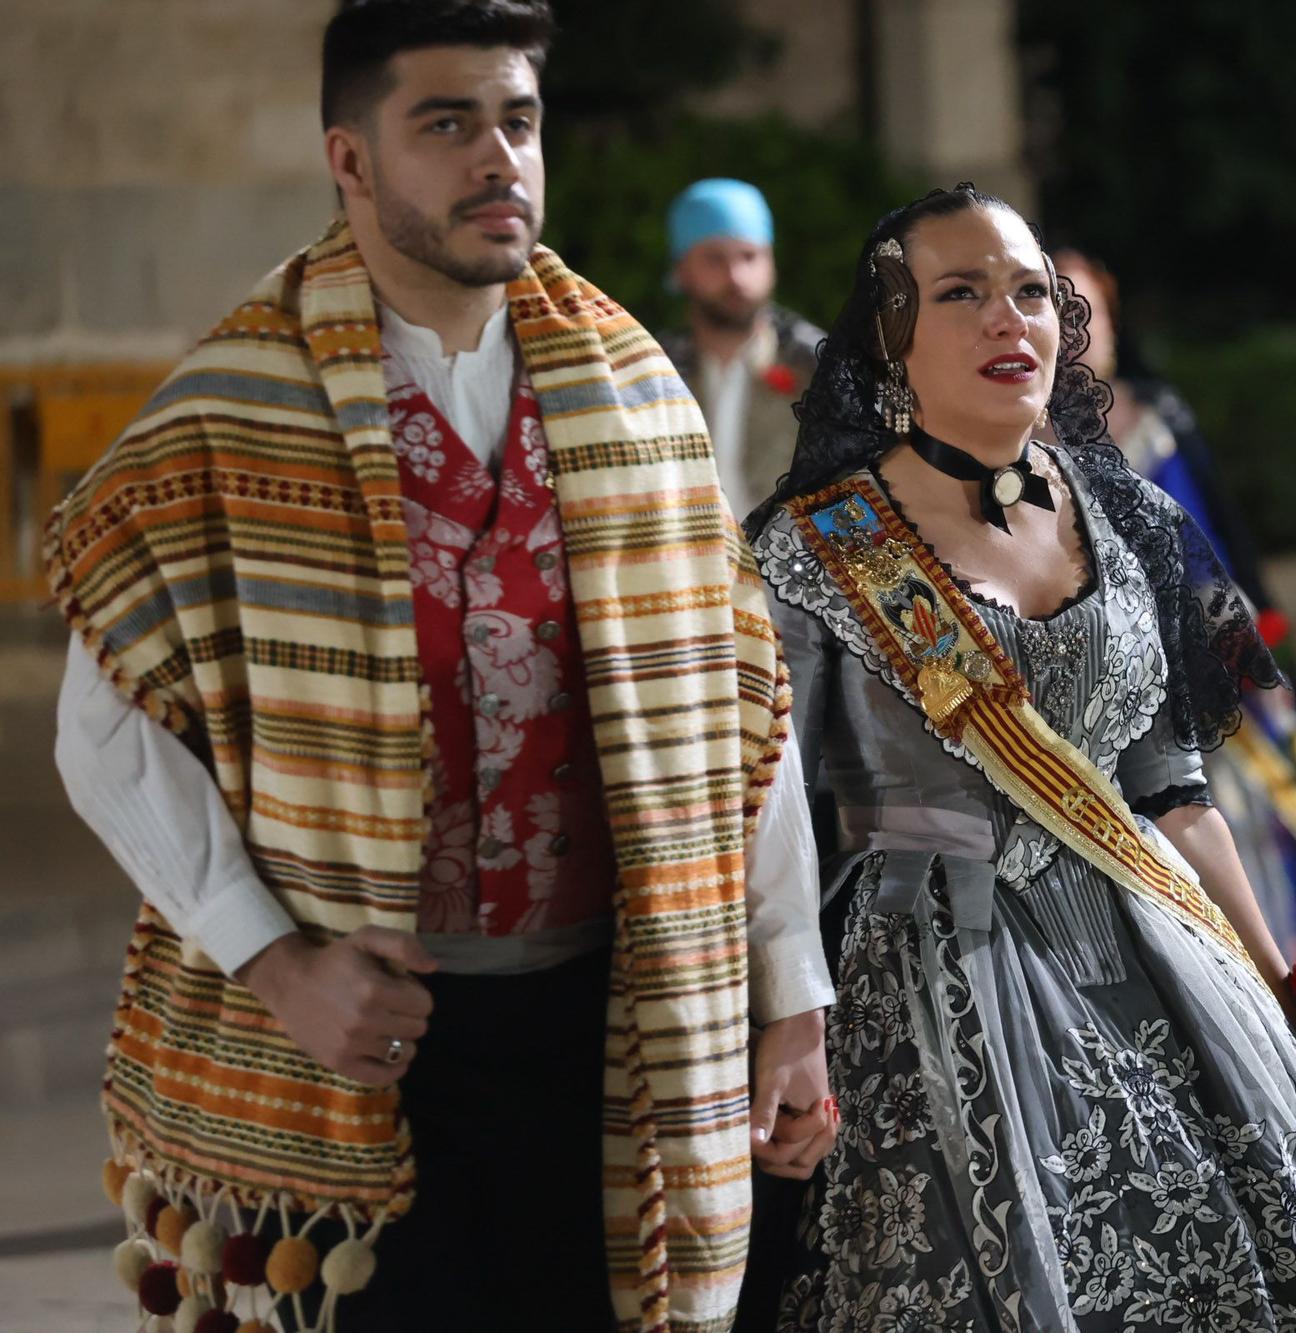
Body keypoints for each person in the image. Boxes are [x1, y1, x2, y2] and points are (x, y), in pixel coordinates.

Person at [47, 4, 831, 1329]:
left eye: (517, 121)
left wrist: (790, 989)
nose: (498, 159)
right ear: (350, 161)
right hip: (364, 1038)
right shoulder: (227, 417)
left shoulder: (638, 397)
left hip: (618, 1019)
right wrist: (275, 963)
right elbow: (108, 727)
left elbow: (739, 712)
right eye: (448, 123)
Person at [743, 185, 1296, 1331]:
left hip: (1163, 958)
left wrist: (1293, 1010)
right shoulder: (809, 551)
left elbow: (1174, 793)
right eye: (958, 294)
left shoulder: (1129, 520)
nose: (1005, 320)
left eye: (1029, 292)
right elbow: (765, 829)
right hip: (933, 987)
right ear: (889, 339)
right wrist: (783, 1020)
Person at [1055, 246, 1296, 951]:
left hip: (1190, 669)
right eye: (1061, 314)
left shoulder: (1155, 423)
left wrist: (1243, 654)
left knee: (1252, 816)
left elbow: (1201, 552)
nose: (1079, 333)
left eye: (1090, 314)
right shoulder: (1014, 445)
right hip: (1079, 679)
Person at [661, 178, 824, 518]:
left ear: (771, 263)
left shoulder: (818, 367)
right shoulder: (654, 374)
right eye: (714, 259)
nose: (736, 276)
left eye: (750, 256)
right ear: (681, 270)